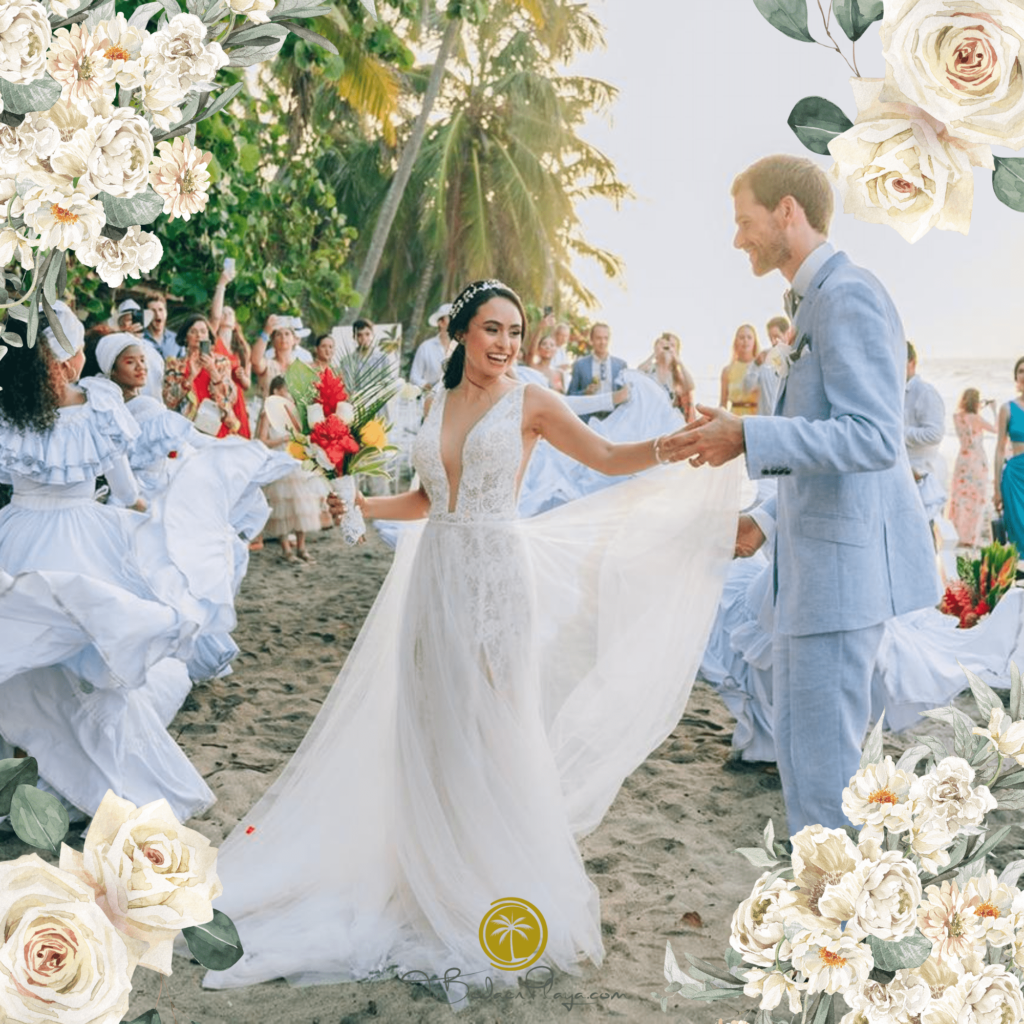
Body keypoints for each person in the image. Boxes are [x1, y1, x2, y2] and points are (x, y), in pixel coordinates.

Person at [204, 279, 740, 994]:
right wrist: (360, 501)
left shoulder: (533, 400)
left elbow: (608, 460)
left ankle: (487, 880)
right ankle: (430, 868)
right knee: (432, 722)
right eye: (493, 329)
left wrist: (674, 445)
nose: (506, 345)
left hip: (493, 578)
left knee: (490, 724)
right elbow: (427, 501)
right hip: (435, 575)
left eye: (514, 332)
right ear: (459, 333)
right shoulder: (437, 401)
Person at [669, 154, 938, 837]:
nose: (738, 239)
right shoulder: (813, 303)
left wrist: (749, 437)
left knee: (824, 789)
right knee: (804, 769)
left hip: (839, 585)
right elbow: (827, 442)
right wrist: (763, 516)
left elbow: (875, 438)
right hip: (807, 575)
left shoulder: (848, 295)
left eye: (744, 221)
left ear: (787, 211)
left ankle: (838, 935)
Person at [0, 308, 214, 822]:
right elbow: (123, 491)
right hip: (84, 536)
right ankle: (78, 783)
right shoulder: (99, 407)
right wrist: (155, 517)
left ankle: (19, 783)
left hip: (17, 535)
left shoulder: (9, 412)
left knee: (20, 656)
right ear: (66, 360)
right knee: (93, 664)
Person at [256, 376, 323, 564]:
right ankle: (286, 549)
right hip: (280, 462)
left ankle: (302, 547)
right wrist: (282, 440)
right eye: (287, 390)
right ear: (277, 391)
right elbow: (262, 440)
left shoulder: (292, 412)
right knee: (283, 507)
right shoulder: (267, 414)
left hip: (296, 461)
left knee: (302, 504)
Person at [165, 314, 252, 437]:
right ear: (185, 337)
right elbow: (169, 400)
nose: (198, 335)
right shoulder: (174, 364)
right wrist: (190, 377)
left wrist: (213, 371)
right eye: (193, 332)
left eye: (203, 331)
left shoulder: (222, 362)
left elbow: (231, 397)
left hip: (218, 426)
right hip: (188, 429)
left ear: (209, 336)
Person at [905, 341, 947, 537]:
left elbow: (935, 433)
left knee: (922, 537)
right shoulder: (892, 392)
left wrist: (898, 434)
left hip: (920, 480)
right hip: (898, 478)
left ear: (912, 362)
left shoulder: (924, 392)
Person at [948, 387, 997, 547]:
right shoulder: (976, 419)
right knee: (975, 499)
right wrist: (994, 410)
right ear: (976, 402)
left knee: (960, 498)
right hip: (976, 462)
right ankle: (969, 537)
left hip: (962, 460)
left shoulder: (956, 417)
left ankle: (956, 532)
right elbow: (996, 429)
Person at [565, 323, 627, 421]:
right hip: (587, 421)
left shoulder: (620, 365)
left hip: (614, 420)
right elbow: (570, 397)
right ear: (591, 340)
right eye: (598, 338)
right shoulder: (580, 365)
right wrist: (585, 392)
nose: (602, 342)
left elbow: (626, 396)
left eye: (606, 338)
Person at [111, 297, 166, 403]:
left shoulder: (153, 352)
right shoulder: (114, 352)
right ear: (121, 325)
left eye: (136, 319)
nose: (133, 324)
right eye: (128, 320)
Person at [995, 356, 1024, 552]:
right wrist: (996, 488)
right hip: (1014, 478)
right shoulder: (1007, 408)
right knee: (1017, 535)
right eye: (1020, 371)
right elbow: (999, 450)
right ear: (1016, 377)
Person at [638, 333, 696, 421]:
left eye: (672, 345)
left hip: (668, 419)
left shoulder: (676, 374)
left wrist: (678, 362)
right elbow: (637, 374)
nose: (668, 348)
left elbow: (690, 386)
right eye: (665, 345)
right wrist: (655, 354)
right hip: (649, 416)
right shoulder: (650, 369)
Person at [743, 315, 791, 415]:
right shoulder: (763, 358)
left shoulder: (796, 360)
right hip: (765, 420)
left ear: (787, 334)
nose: (773, 342)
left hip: (787, 420)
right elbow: (746, 388)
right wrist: (755, 365)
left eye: (777, 337)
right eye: (770, 338)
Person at [719, 323, 760, 416]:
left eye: (749, 337)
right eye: (742, 337)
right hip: (734, 419)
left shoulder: (761, 367)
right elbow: (723, 404)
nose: (745, 341)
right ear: (736, 341)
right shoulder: (727, 371)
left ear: (754, 341)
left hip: (756, 419)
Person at [409, 303, 451, 392]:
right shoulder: (426, 347)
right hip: (430, 399)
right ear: (441, 323)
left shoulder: (462, 347)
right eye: (451, 318)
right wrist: (425, 385)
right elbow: (414, 376)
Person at [144, 293, 179, 359]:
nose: (158, 314)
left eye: (160, 310)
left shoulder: (176, 340)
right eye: (153, 311)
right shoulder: (139, 339)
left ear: (166, 313)